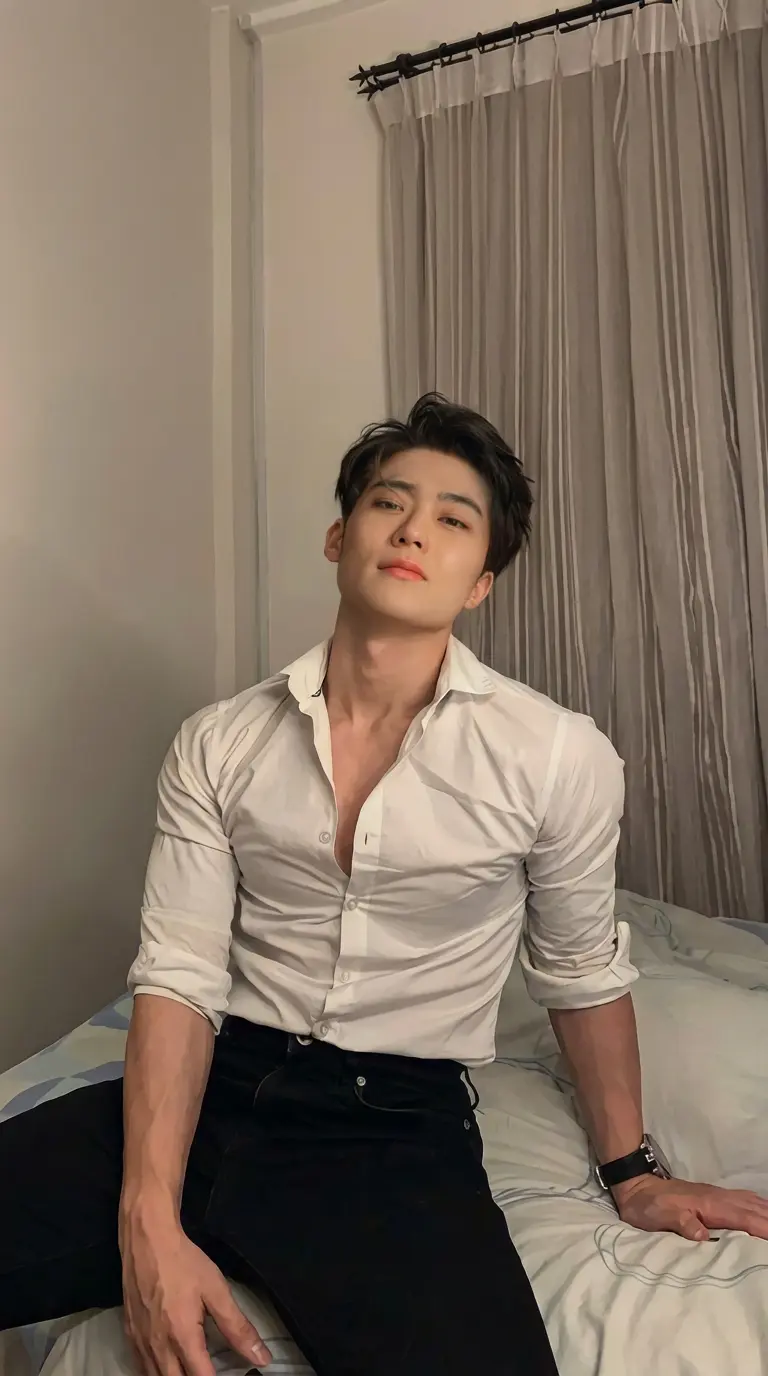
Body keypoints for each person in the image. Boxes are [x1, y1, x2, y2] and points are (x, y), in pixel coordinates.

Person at [2, 395, 768, 1376]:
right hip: (219, 1087)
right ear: (339, 537)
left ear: (481, 581)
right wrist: (147, 1219)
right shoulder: (220, 742)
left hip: (393, 1133)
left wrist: (633, 1172)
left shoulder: (555, 755)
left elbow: (579, 970)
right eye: (388, 502)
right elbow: (180, 976)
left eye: (453, 518)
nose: (413, 529)